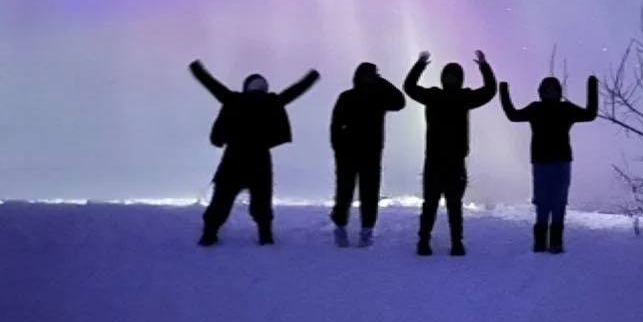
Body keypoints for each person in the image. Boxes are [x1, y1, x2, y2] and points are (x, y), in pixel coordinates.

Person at [189, 59, 320, 246]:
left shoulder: (233, 99)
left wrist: (197, 69)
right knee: (262, 200)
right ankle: (265, 235)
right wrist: (312, 77)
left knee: (222, 199)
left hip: (233, 159)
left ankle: (209, 233)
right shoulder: (273, 102)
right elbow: (296, 90)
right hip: (260, 160)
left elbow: (211, 84)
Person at [403, 49, 497, 256]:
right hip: (435, 160)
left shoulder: (464, 97)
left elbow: (490, 90)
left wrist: (484, 66)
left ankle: (456, 242)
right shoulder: (434, 96)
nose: (450, 78)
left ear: (460, 79)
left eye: (453, 75)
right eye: (447, 75)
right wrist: (419, 65)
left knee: (454, 205)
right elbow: (409, 87)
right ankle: (424, 241)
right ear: (443, 77)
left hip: (455, 161)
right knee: (431, 204)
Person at [499, 73, 599, 253]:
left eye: (553, 90)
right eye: (547, 90)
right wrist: (503, 91)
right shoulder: (536, 108)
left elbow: (590, 114)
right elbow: (513, 115)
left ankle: (555, 242)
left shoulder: (565, 109)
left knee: (559, 202)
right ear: (541, 92)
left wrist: (592, 87)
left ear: (558, 92)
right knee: (543, 202)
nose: (550, 93)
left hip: (561, 162)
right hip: (541, 162)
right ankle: (539, 242)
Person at [329, 62, 407, 246]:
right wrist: (338, 147)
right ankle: (341, 226)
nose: (371, 78)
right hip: (348, 153)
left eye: (374, 75)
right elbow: (335, 125)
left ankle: (366, 229)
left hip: (370, 153)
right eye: (369, 75)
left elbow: (400, 101)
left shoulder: (378, 98)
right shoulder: (347, 97)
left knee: (369, 193)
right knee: (344, 192)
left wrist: (382, 82)